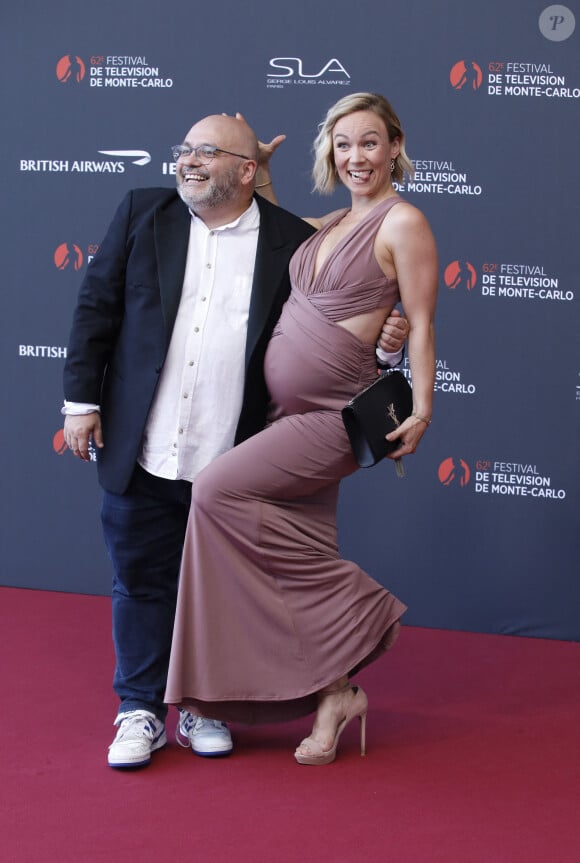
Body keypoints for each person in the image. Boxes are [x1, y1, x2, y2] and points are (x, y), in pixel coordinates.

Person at [62, 111, 408, 769]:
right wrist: (80, 401)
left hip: (238, 452)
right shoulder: (143, 211)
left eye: (207, 152)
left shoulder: (291, 242)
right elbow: (95, 307)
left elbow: (342, 309)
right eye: (184, 148)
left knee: (220, 586)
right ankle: (138, 708)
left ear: (247, 171)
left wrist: (387, 337)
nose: (188, 161)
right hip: (145, 444)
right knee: (139, 578)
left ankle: (204, 703)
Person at [165, 93, 438, 765]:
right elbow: (275, 221)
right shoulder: (333, 223)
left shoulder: (404, 224)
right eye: (344, 145)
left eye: (370, 143)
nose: (356, 157)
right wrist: (256, 170)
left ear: (396, 146)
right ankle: (334, 697)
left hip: (334, 417)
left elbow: (424, 323)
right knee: (304, 549)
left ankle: (364, 608)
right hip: (285, 413)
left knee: (216, 492)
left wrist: (424, 406)